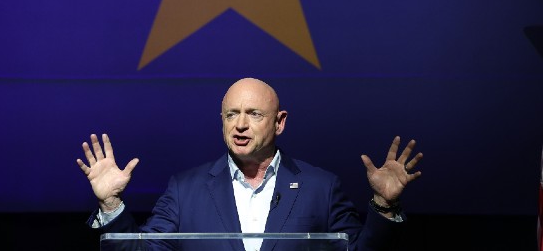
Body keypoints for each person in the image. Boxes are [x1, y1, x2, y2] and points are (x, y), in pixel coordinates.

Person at [78, 77, 423, 250]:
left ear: (279, 122)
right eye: (232, 114)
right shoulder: (185, 189)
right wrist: (110, 204)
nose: (240, 125)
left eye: (253, 114)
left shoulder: (321, 187)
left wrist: (383, 204)